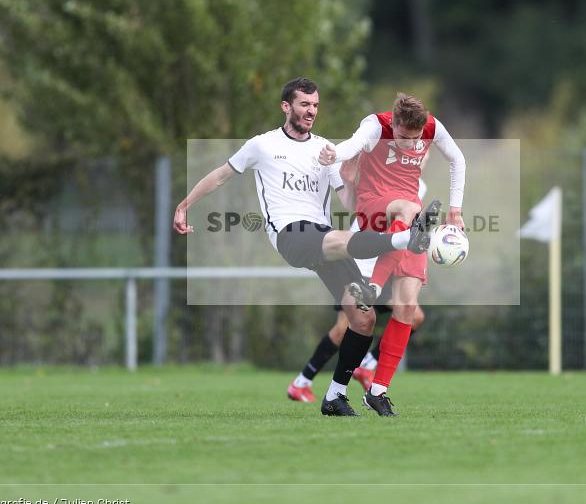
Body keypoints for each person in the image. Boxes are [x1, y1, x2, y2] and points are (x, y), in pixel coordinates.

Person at [173, 78, 439, 417]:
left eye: (314, 105)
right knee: (340, 240)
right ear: (286, 107)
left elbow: (351, 202)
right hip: (291, 234)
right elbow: (221, 175)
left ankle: (334, 396)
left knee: (363, 316)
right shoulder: (262, 145)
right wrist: (184, 205)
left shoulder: (325, 150)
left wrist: (358, 179)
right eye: (304, 104)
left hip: (324, 238)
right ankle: (407, 239)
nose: (310, 111)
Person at [318, 93, 466, 416]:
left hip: (408, 223)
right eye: (403, 138)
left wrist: (455, 209)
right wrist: (334, 153)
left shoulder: (430, 128)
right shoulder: (376, 125)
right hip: (374, 206)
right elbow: (352, 146)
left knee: (407, 305)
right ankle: (374, 284)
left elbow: (458, 159)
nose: (411, 146)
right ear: (395, 123)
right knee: (412, 208)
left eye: (416, 140)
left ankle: (378, 390)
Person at [287, 179, 429, 403]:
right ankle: (302, 382)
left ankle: (367, 365)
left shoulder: (419, 185)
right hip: (360, 264)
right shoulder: (381, 176)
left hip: (382, 268)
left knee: (414, 316)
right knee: (344, 328)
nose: (421, 150)